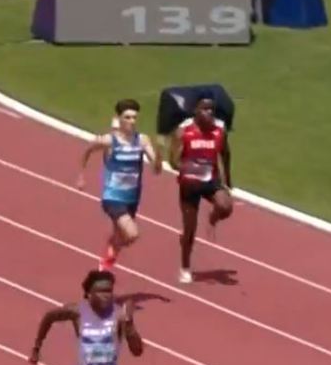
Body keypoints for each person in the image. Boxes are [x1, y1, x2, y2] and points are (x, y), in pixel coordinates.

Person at [77, 99, 161, 271]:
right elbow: (87, 151)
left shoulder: (142, 140)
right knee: (132, 233)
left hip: (132, 197)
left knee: (121, 236)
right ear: (119, 119)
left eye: (134, 118)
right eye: (128, 117)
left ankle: (104, 269)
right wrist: (81, 176)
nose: (132, 121)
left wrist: (159, 157)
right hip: (113, 197)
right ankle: (110, 250)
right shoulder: (108, 141)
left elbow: (157, 169)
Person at [168, 90, 233, 284]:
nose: (209, 113)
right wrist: (188, 167)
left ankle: (212, 217)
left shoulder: (219, 131)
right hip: (189, 184)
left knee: (226, 207)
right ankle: (185, 266)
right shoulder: (183, 132)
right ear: (195, 110)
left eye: (211, 109)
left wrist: (228, 179)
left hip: (210, 180)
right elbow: (172, 161)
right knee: (190, 230)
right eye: (204, 108)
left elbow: (226, 154)